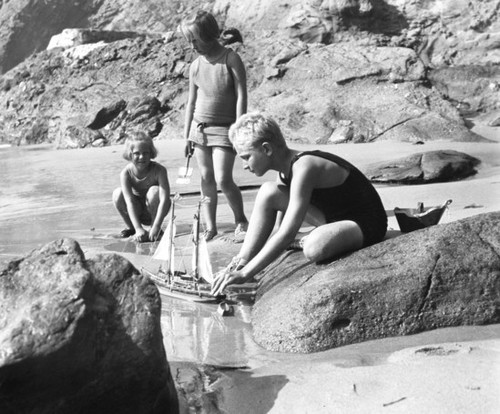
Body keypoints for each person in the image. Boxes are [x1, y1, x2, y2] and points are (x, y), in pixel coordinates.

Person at [211, 112, 387, 296]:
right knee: (268, 192)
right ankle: (241, 260)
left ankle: (306, 240)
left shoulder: (304, 166)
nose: (245, 165)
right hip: (331, 218)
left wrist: (247, 274)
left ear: (267, 149)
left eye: (247, 157)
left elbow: (287, 233)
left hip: (364, 223)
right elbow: (280, 228)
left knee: (314, 247)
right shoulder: (283, 173)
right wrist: (239, 268)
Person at [180, 10, 248, 241]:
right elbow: (190, 103)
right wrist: (187, 136)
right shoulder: (195, 66)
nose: (192, 46)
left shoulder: (231, 59)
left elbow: (241, 96)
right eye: (189, 41)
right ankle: (210, 226)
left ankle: (241, 219)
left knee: (223, 179)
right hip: (199, 130)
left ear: (210, 35)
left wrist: (239, 130)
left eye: (195, 40)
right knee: (206, 178)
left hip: (226, 129)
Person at [112, 131, 171, 242]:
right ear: (130, 154)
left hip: (155, 210)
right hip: (136, 211)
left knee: (154, 191)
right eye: (137, 153)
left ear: (151, 153)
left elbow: (165, 200)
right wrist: (138, 228)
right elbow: (129, 202)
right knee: (117, 194)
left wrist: (156, 226)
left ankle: (155, 228)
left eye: (145, 153)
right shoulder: (126, 173)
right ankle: (133, 228)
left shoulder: (159, 170)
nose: (141, 157)